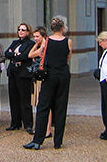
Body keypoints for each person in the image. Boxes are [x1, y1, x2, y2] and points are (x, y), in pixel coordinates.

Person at [23, 16, 73, 150]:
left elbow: (40, 54)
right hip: (63, 74)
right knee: (61, 107)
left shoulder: (47, 41)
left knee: (43, 106)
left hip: (50, 74)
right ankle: (58, 141)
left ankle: (38, 140)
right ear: (63, 28)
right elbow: (68, 57)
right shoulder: (68, 41)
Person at [5, 23, 36, 134]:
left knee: (25, 99)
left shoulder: (30, 43)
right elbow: (6, 54)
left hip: (23, 74)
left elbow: (25, 56)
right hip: (13, 73)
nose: (21, 32)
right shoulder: (15, 43)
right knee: (13, 99)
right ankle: (15, 123)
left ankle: (28, 124)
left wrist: (14, 55)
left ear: (28, 32)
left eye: (23, 30)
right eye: (19, 29)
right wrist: (14, 54)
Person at [28, 26, 52, 138]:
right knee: (38, 102)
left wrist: (37, 46)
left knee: (44, 103)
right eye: (34, 37)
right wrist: (36, 44)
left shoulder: (44, 46)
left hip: (42, 76)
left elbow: (30, 55)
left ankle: (47, 129)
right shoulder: (40, 45)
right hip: (37, 76)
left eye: (37, 36)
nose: (35, 39)